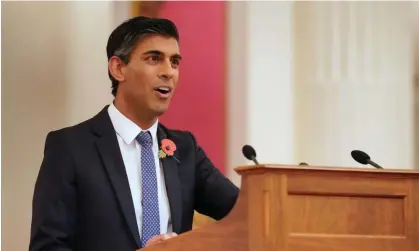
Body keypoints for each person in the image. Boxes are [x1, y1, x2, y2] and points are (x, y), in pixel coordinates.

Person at [29, 16, 239, 251]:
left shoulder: (185, 149)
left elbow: (246, 213)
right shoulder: (70, 147)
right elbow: (48, 246)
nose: (168, 72)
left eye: (175, 62)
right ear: (118, 68)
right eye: (154, 59)